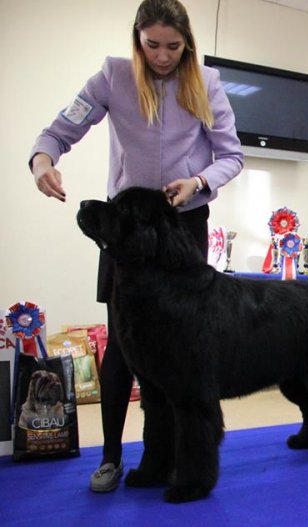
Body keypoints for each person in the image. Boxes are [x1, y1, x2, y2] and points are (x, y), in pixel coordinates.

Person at [28, 0, 243, 492]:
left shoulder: (207, 83)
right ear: (137, 39)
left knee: (179, 351)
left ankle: (162, 456)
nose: (162, 57)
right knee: (124, 346)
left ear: (187, 42)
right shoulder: (112, 77)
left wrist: (199, 181)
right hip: (126, 231)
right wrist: (44, 162)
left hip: (183, 227)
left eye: (173, 46)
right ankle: (108, 458)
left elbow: (231, 156)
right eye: (152, 45)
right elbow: (58, 131)